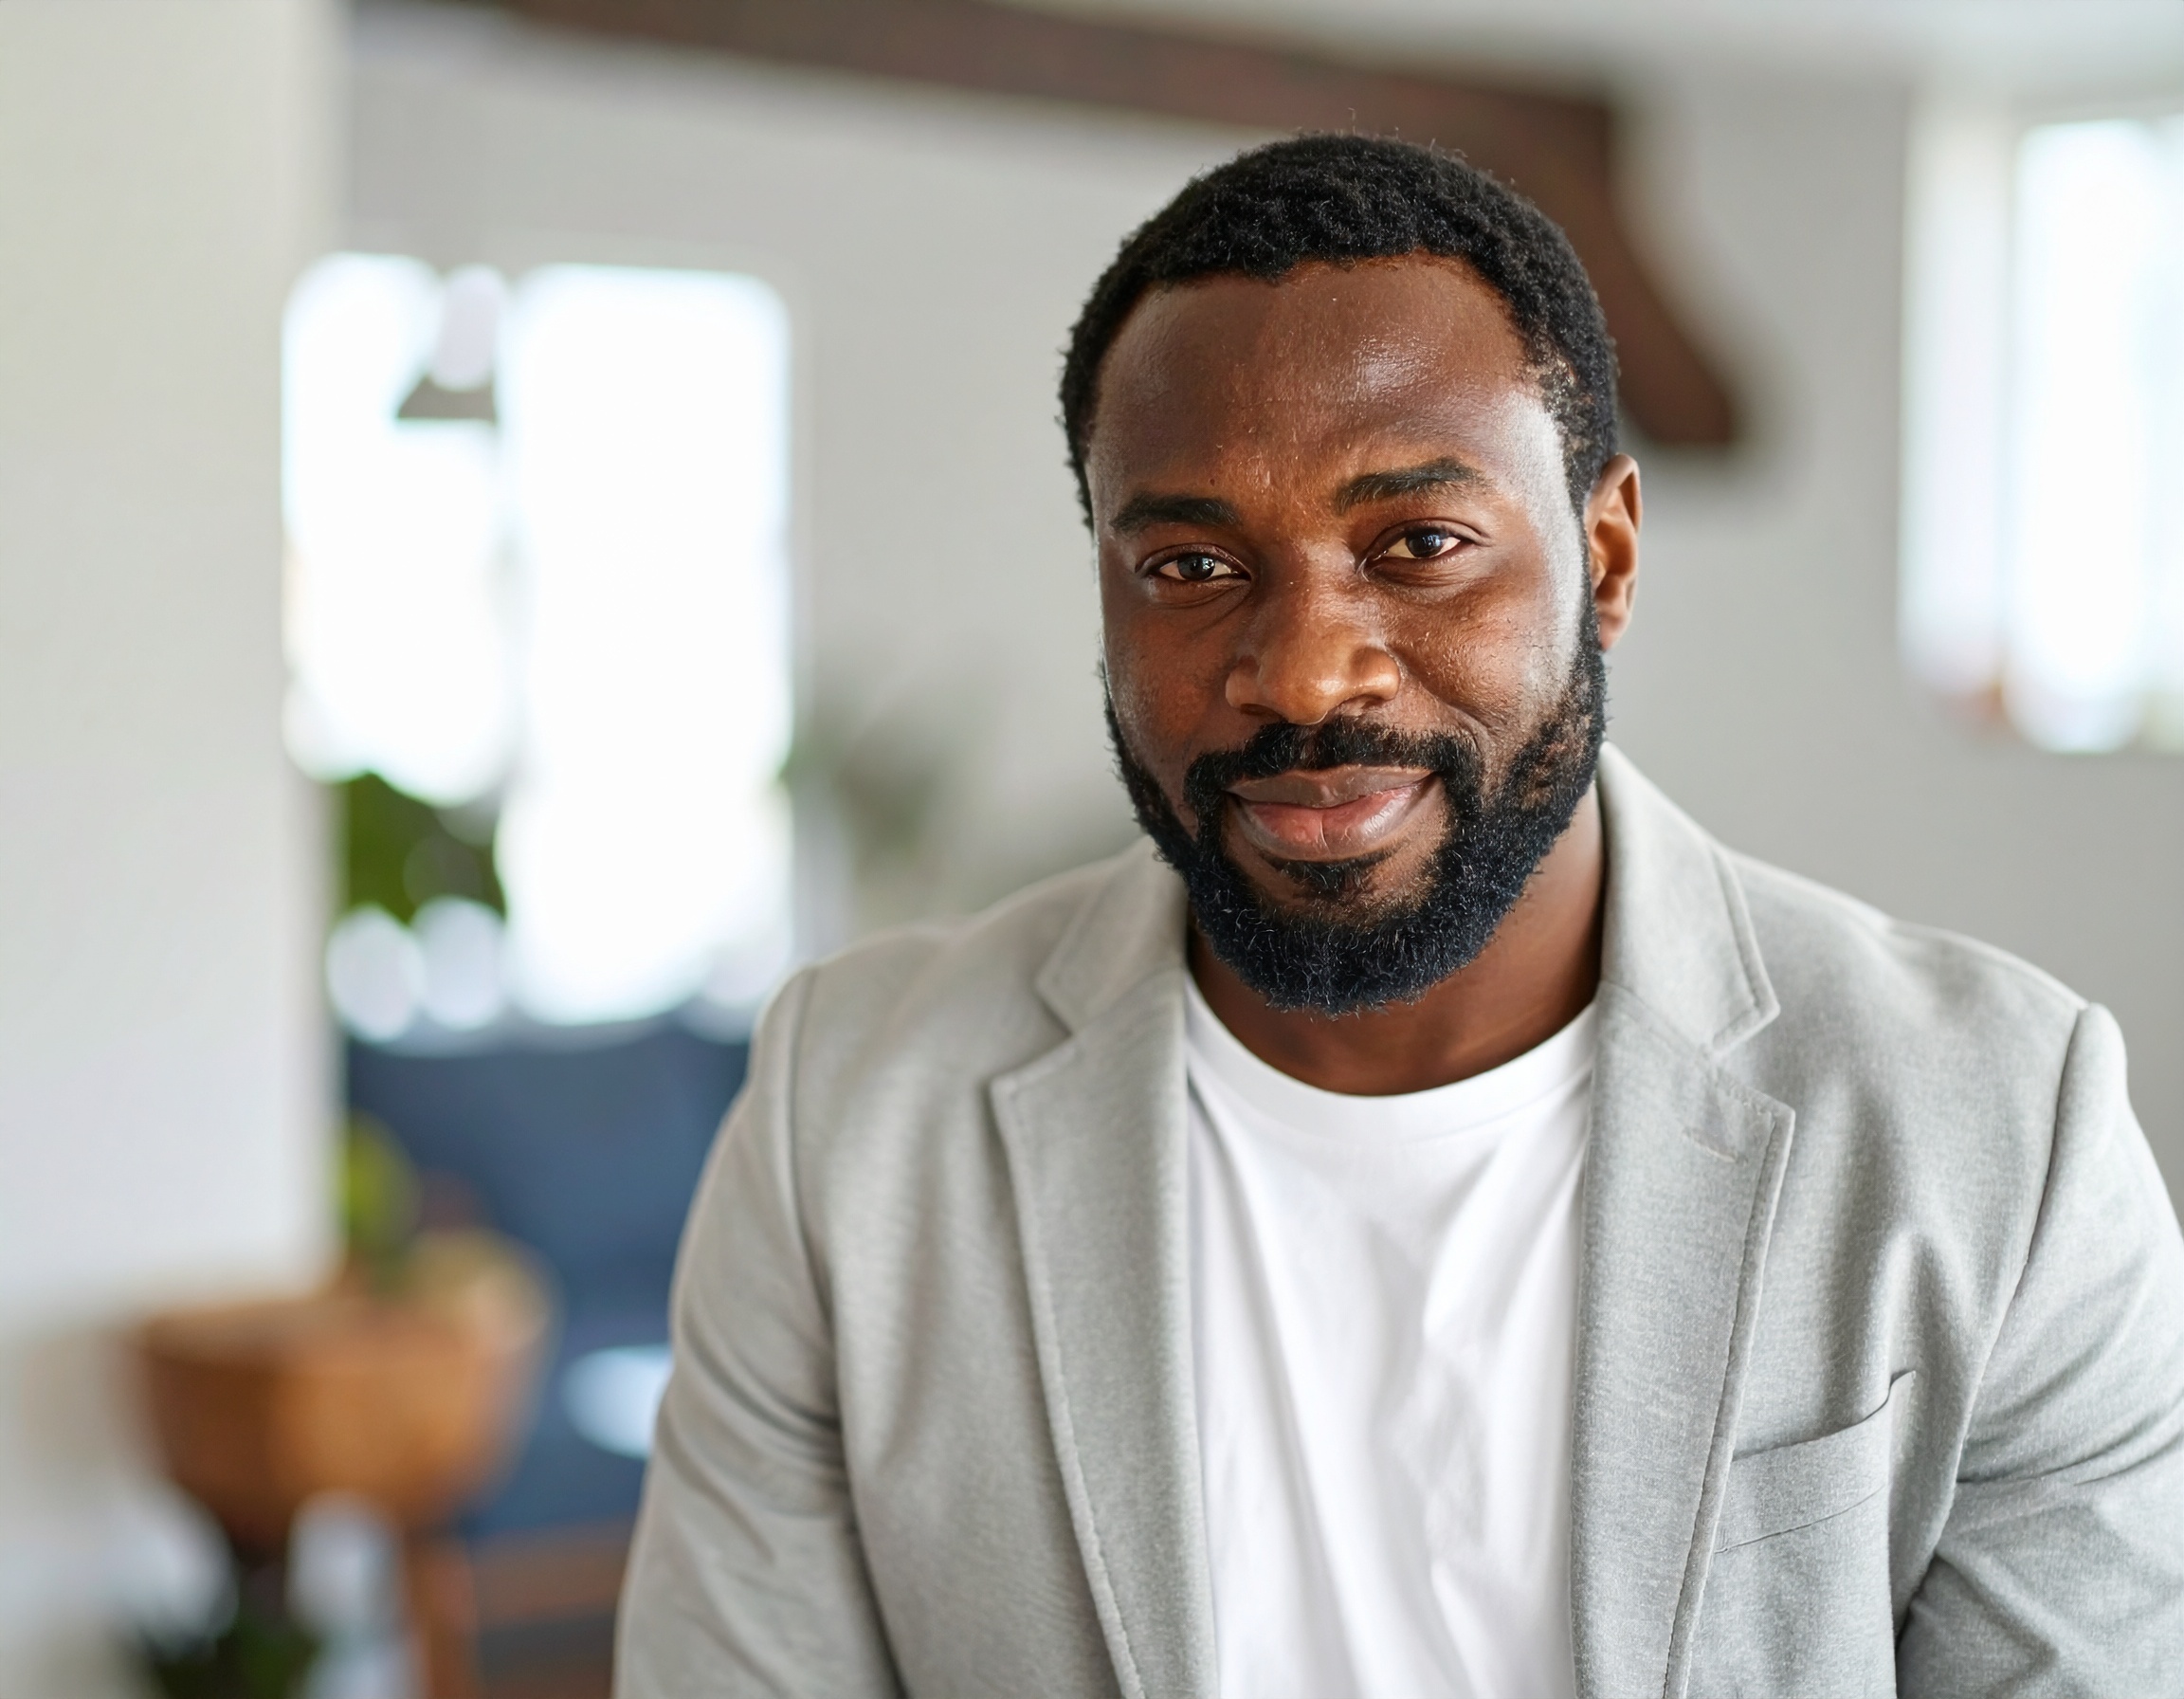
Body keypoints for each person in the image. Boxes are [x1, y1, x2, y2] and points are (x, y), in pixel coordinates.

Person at [615, 135, 2184, 1698]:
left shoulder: (1997, 1128)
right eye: (1194, 563)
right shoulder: (852, 1120)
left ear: (1607, 555)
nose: (1303, 672)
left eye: (1417, 547)